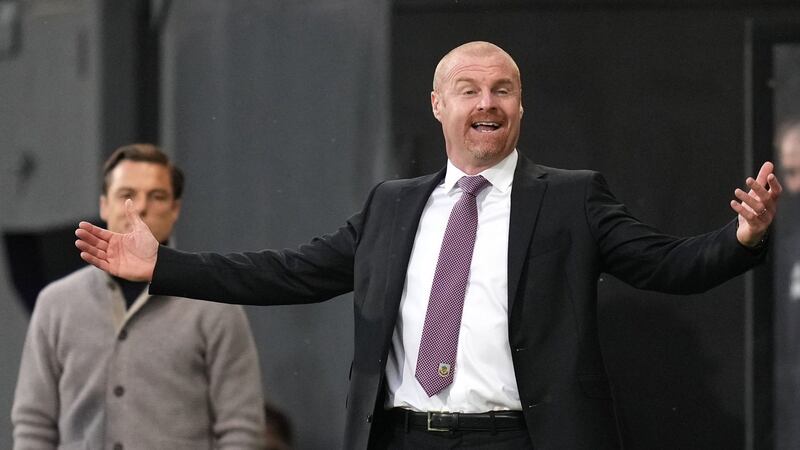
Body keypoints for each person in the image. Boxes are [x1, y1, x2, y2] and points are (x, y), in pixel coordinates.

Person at [74, 43, 782, 449]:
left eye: (502, 90)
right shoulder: (393, 205)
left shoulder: (571, 198)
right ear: (438, 105)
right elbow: (288, 273)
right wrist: (163, 266)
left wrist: (741, 236)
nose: (487, 103)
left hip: (519, 439)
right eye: (468, 90)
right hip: (404, 437)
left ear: (521, 107)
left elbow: (666, 264)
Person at [14, 144, 267, 449]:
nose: (140, 207)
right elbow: (34, 423)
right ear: (104, 205)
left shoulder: (214, 306)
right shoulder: (56, 304)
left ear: (175, 209)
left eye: (157, 196)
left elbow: (241, 428)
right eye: (127, 195)